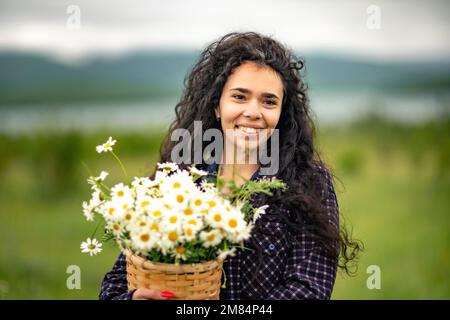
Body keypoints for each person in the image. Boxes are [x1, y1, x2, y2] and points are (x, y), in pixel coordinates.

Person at [99, 32, 361, 300]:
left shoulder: (309, 182)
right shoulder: (178, 179)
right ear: (217, 105)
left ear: (282, 113)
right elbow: (115, 284)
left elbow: (310, 290)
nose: (253, 112)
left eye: (269, 101)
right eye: (239, 97)